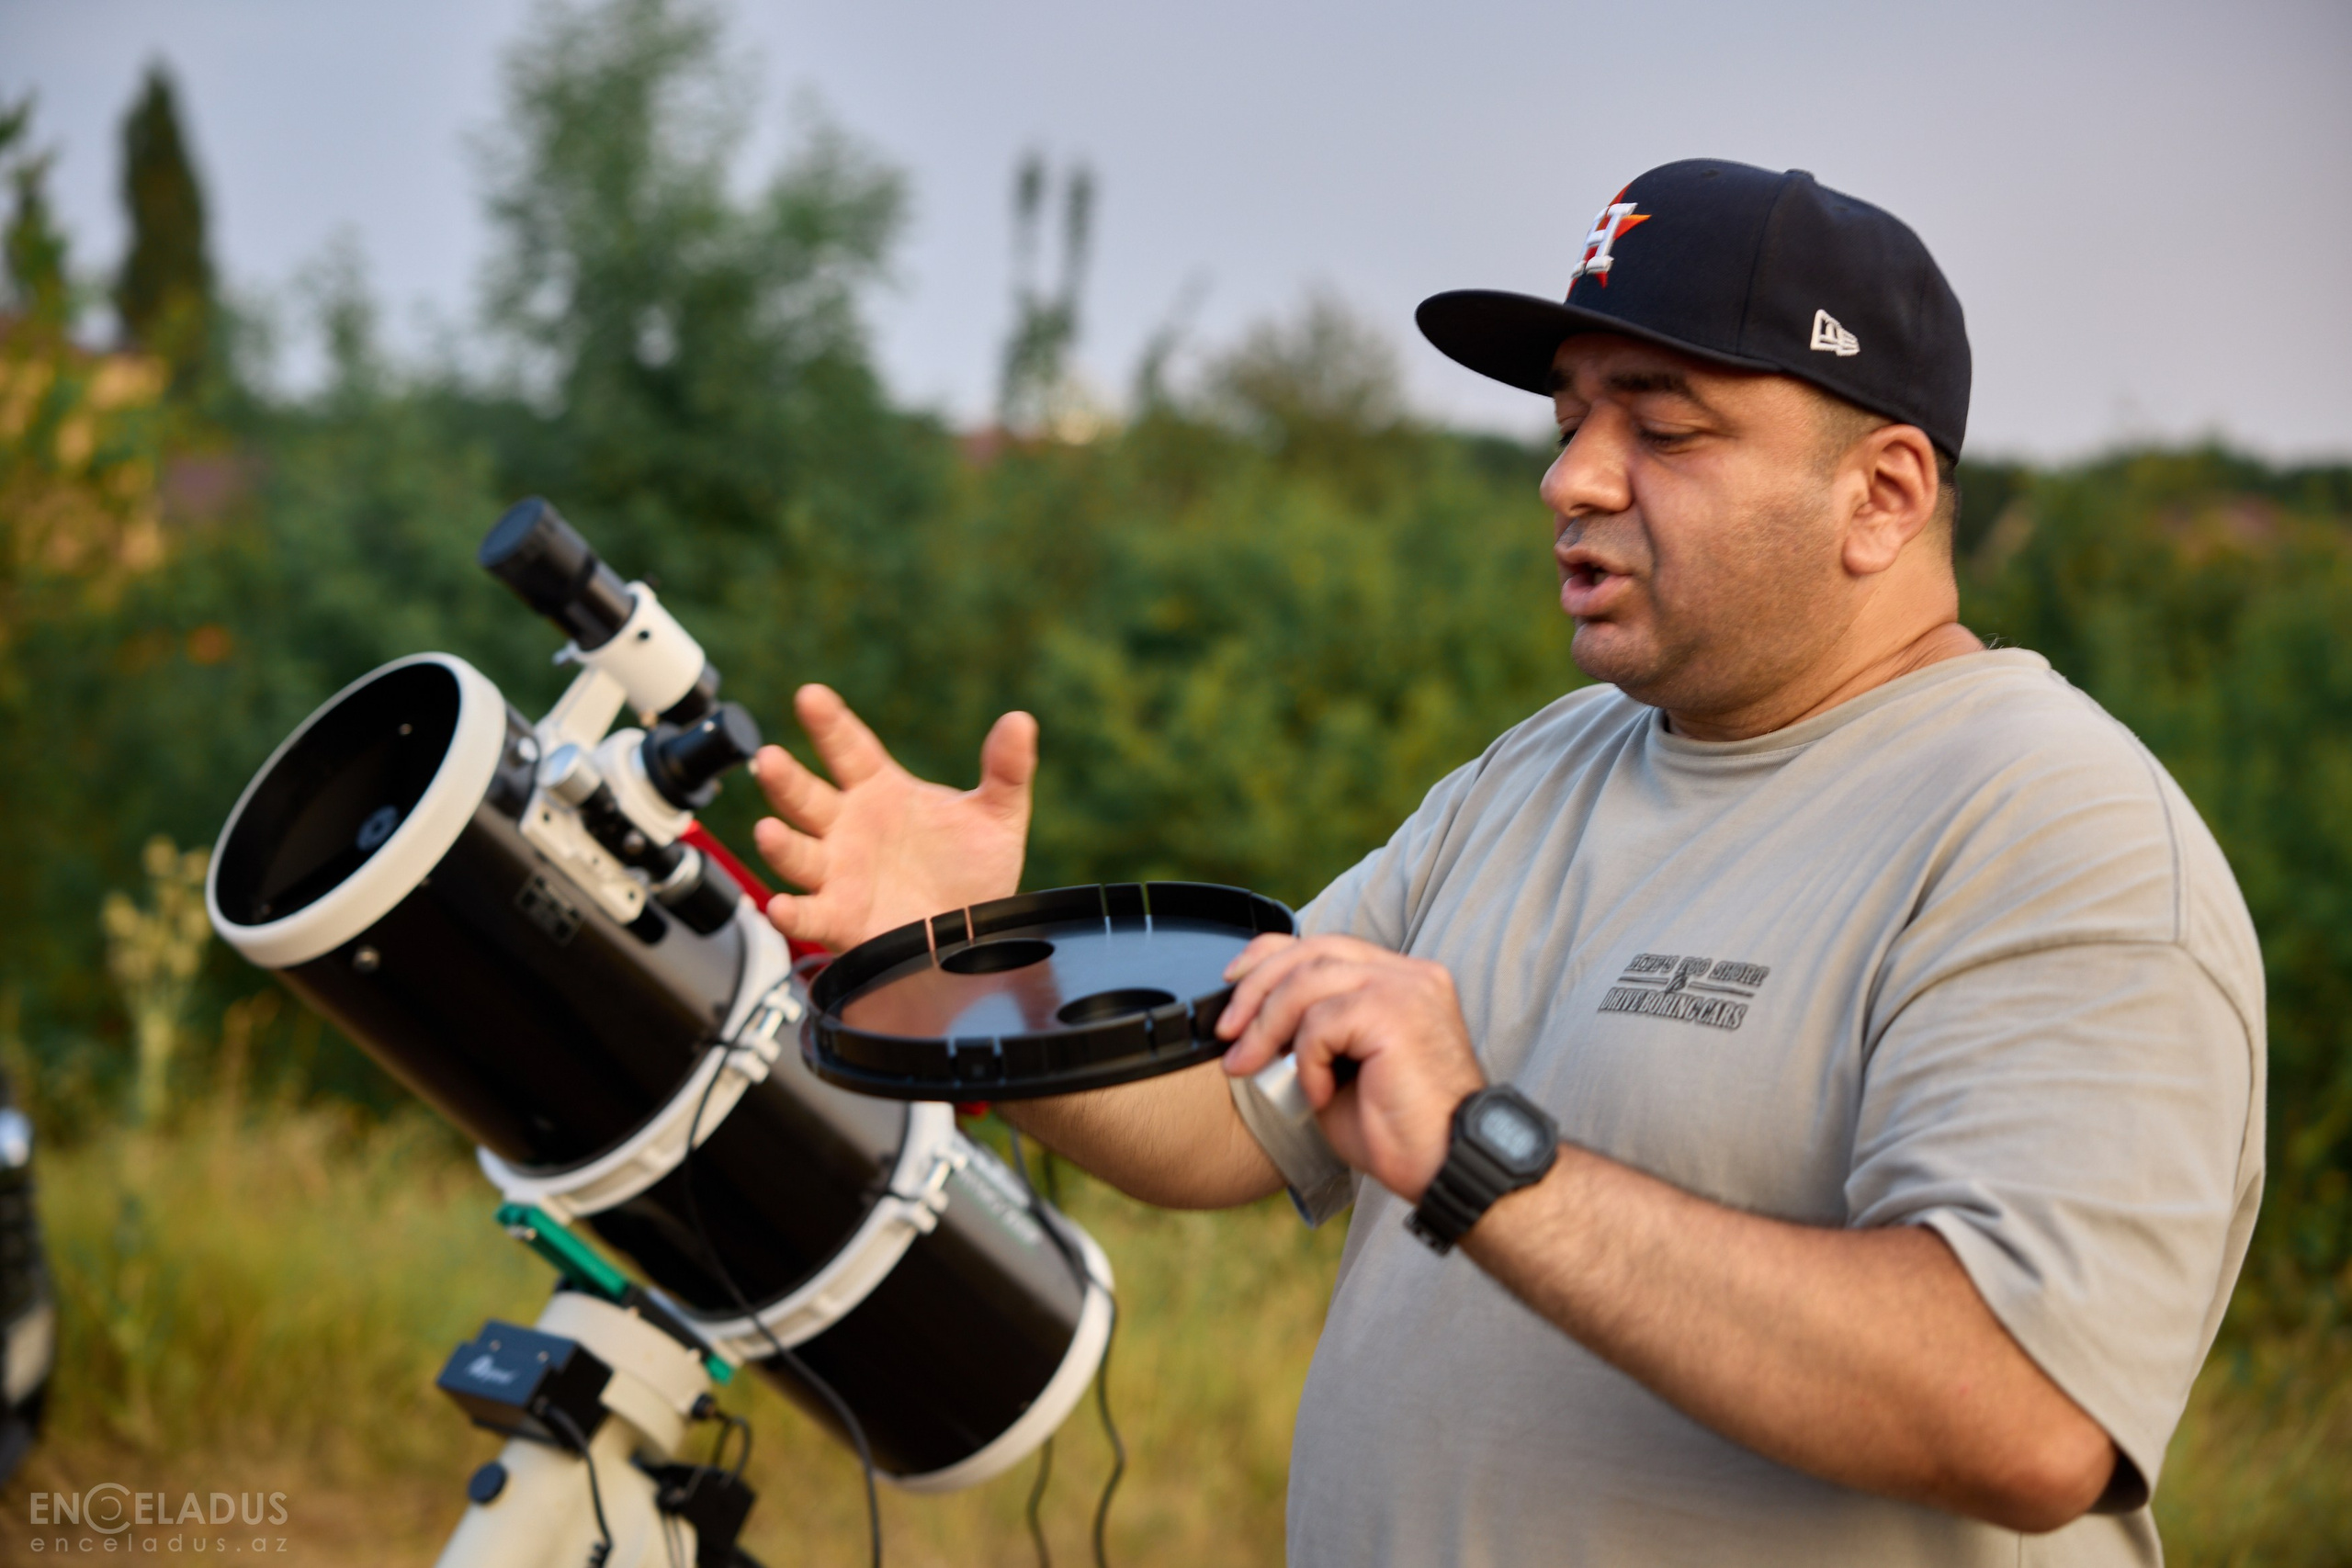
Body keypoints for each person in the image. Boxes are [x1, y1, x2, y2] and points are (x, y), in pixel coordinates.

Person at [745, 160, 2263, 1566]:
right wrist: (962, 967)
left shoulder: (2055, 831)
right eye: (1566, 422)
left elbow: (2029, 1411)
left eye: (1662, 427)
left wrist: (1483, 1155)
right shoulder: (1546, 764)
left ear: (1884, 495)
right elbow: (1237, 1105)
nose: (1574, 481)